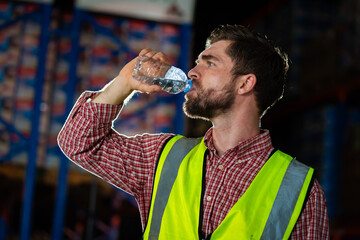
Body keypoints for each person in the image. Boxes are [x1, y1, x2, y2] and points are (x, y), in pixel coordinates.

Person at [58, 24, 329, 239]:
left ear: (245, 83)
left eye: (209, 63)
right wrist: (123, 82)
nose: (192, 72)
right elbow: (78, 142)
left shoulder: (299, 191)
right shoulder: (162, 159)